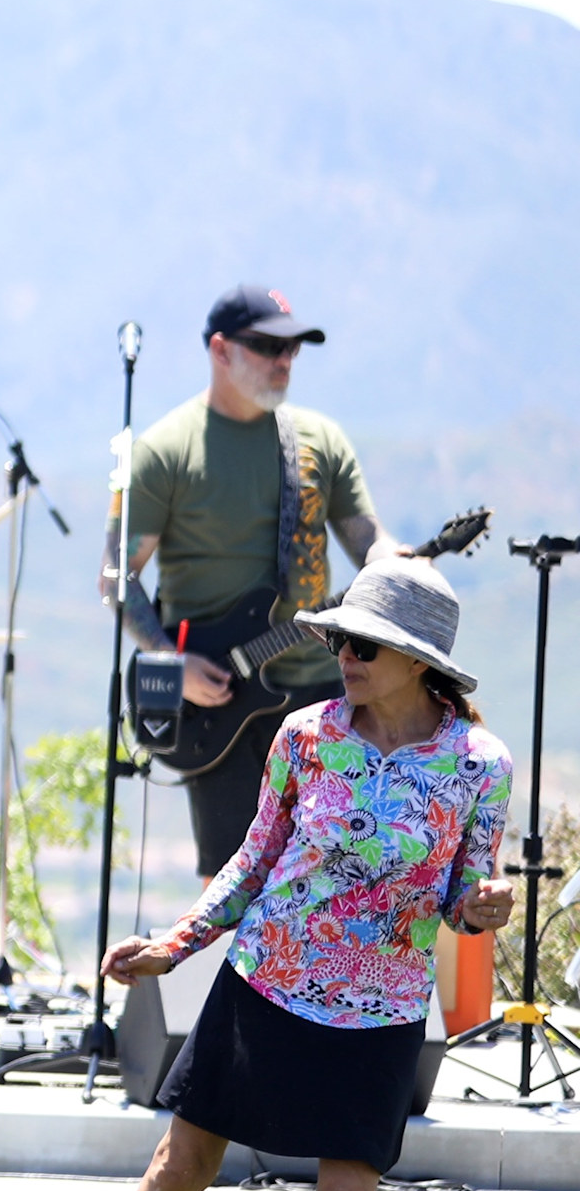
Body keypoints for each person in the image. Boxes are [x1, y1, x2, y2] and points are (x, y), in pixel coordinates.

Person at [79, 560, 512, 1191]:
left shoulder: (480, 765)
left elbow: (464, 899)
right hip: (263, 982)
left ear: (418, 660)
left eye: (363, 643)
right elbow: (253, 859)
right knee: (177, 1166)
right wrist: (177, 944)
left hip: (380, 1010)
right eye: (339, 638)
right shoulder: (304, 736)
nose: (342, 653)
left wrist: (484, 907)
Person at [120, 284, 401, 875]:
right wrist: (172, 663)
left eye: (293, 349)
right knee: (230, 882)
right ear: (220, 350)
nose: (283, 361)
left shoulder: (317, 442)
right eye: (267, 347)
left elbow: (369, 543)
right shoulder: (165, 451)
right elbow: (119, 577)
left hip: (322, 688)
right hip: (217, 701)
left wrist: (401, 562)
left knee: (334, 873)